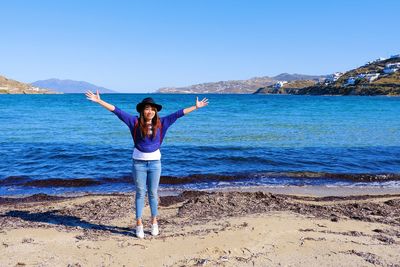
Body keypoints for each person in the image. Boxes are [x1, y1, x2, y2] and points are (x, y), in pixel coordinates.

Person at [85, 90, 209, 238]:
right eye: (146, 108)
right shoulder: (134, 122)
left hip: (155, 163)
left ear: (155, 111)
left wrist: (195, 107)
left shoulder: (162, 123)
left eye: (152, 109)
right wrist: (99, 101)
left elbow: (178, 114)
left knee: (153, 193)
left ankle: (154, 222)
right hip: (138, 163)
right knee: (140, 193)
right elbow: (117, 111)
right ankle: (139, 224)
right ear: (142, 111)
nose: (149, 111)